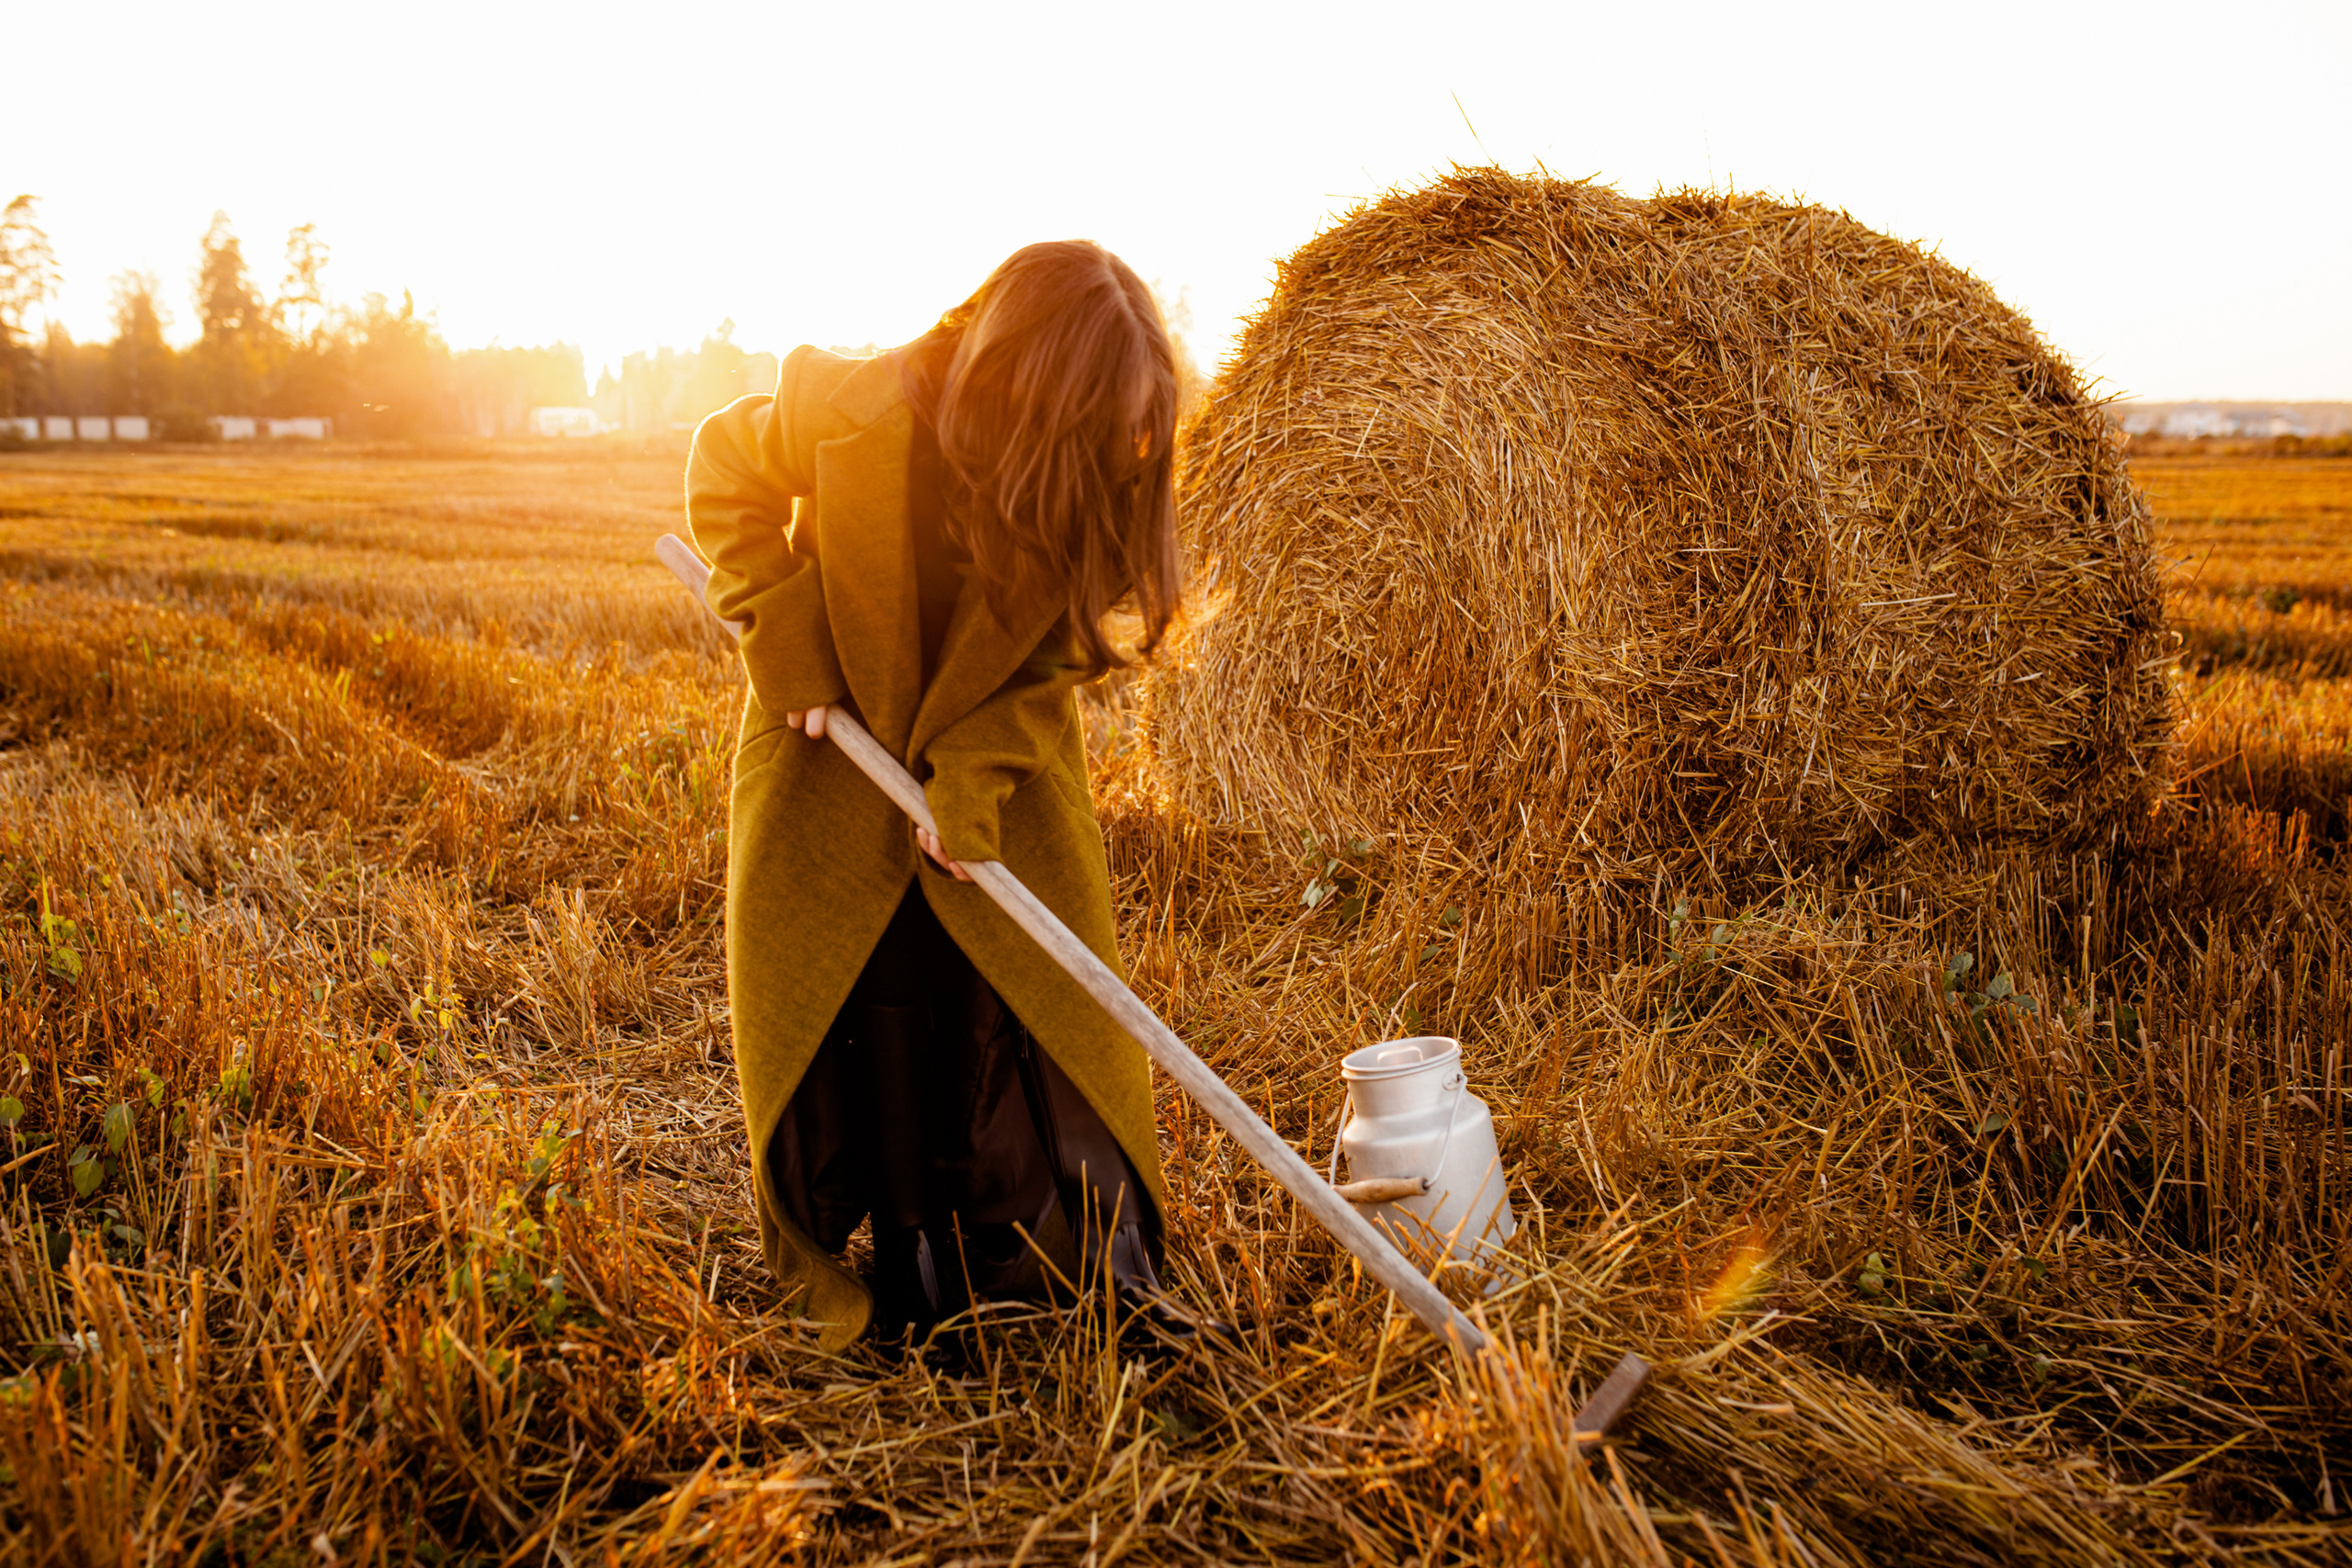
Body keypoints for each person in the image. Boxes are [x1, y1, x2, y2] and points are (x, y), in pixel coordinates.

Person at [687, 241, 1185, 1352]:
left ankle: (1019, 1238)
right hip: (834, 756)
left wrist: (966, 784)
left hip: (996, 762)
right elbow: (725, 466)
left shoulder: (1093, 458)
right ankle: (906, 1246)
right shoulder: (849, 402)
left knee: (1004, 994)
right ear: (1011, 381)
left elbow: (1054, 656)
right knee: (875, 986)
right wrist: (784, 637)